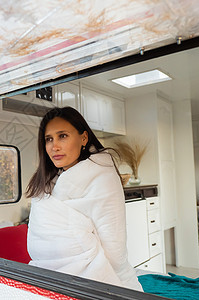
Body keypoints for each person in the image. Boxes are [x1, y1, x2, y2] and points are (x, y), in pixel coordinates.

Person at [26, 106, 143, 292]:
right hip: (47, 278)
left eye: (62, 136)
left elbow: (115, 248)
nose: (54, 146)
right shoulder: (47, 183)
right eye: (49, 139)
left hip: (96, 280)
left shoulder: (102, 178)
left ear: (83, 138)